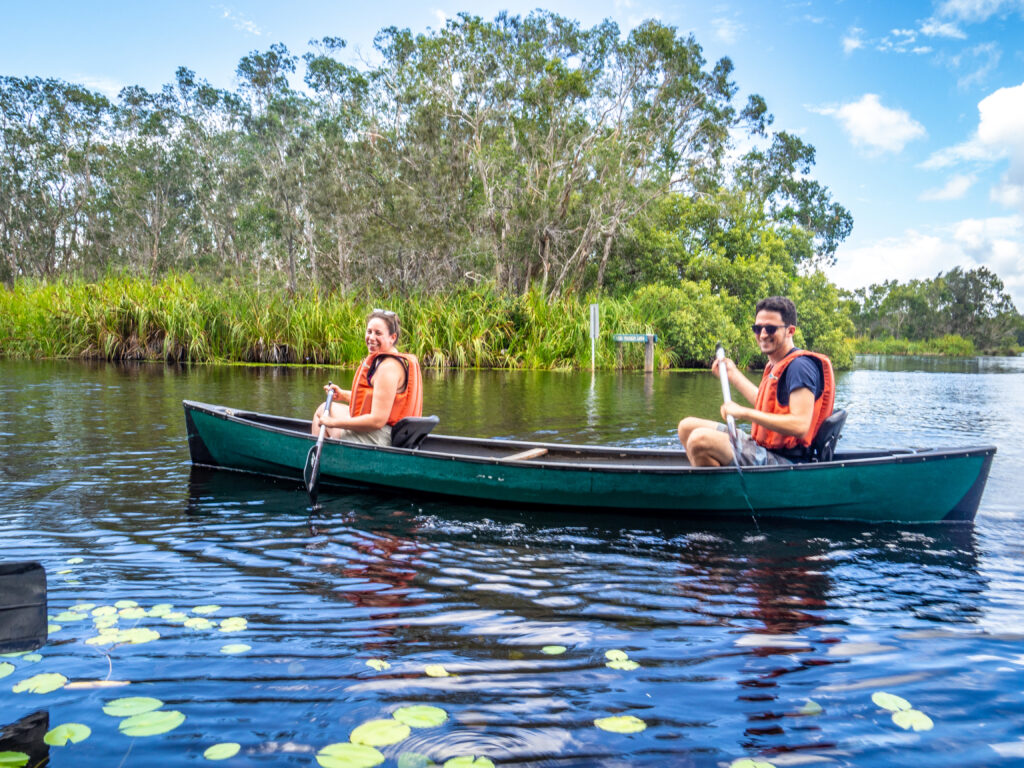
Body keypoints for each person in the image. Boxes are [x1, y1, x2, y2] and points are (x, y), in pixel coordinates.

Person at [677, 296, 834, 466]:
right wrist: (733, 374)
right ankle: (712, 479)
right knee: (687, 427)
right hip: (764, 447)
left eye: (770, 328)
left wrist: (743, 412)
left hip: (787, 461)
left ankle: (721, 491)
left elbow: (800, 426)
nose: (763, 334)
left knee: (699, 440)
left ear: (790, 331)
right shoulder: (776, 363)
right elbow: (766, 403)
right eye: (758, 328)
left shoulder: (800, 367)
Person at [311, 309, 423, 445]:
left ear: (392, 337)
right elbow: (379, 401)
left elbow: (377, 420)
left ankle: (323, 461)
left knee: (322, 412)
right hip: (388, 432)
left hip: (382, 438)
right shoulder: (387, 361)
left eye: (378, 333)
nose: (371, 337)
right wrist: (343, 395)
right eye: (369, 331)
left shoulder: (388, 368)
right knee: (325, 409)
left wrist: (333, 422)